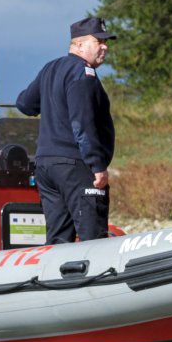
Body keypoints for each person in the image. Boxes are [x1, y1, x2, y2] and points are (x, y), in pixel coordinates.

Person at [15, 16, 116, 243]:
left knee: (59, 238)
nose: (105, 46)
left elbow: (24, 104)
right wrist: (97, 165)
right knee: (93, 237)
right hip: (74, 165)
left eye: (106, 41)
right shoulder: (83, 73)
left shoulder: (52, 68)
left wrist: (51, 99)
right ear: (78, 44)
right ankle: (97, 278)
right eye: (98, 41)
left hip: (46, 165)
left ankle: (57, 278)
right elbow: (82, 122)